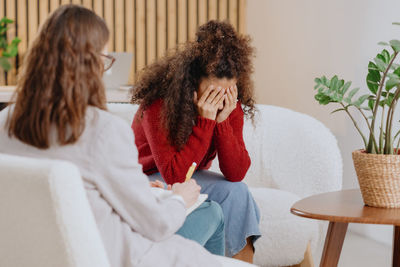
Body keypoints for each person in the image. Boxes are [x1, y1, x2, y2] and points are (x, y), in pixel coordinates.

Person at [0, 5, 254, 267]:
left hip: (45, 254)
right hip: (114, 255)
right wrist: (179, 198)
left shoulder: (6, 122)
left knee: (225, 202)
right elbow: (156, 223)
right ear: (92, 65)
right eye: (105, 60)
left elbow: (82, 186)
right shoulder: (103, 130)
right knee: (210, 214)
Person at [131, 20, 261, 263]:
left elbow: (236, 172)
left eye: (227, 91)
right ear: (192, 82)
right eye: (212, 92)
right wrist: (206, 121)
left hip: (189, 175)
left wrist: (222, 122)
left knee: (238, 192)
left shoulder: (228, 104)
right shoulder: (159, 104)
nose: (220, 99)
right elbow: (175, 176)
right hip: (149, 179)